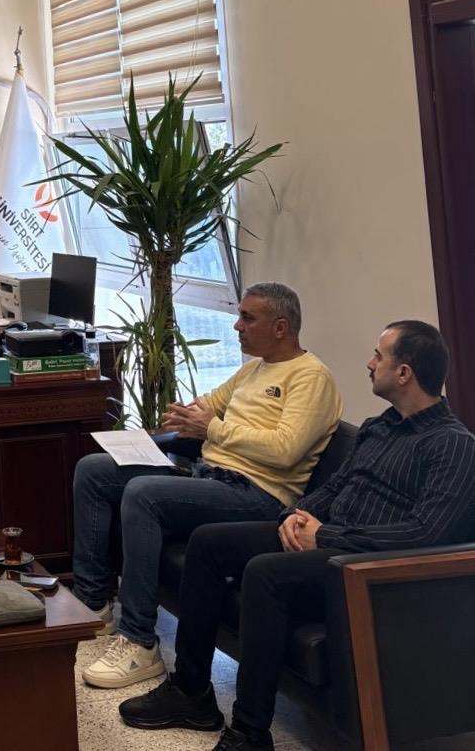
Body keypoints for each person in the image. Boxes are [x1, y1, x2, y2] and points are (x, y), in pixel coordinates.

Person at [119, 321, 475, 750]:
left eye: (378, 356)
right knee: (209, 543)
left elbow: (424, 534)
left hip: (365, 568)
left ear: (404, 373)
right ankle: (191, 693)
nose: (369, 363)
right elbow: (337, 485)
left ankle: (249, 733)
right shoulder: (380, 426)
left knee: (265, 572)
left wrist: (326, 537)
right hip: (326, 541)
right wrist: (295, 514)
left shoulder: (453, 445)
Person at [73, 282, 342, 689]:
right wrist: (186, 415)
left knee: (144, 494)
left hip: (258, 495)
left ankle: (140, 642)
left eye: (248, 318)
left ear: (281, 327)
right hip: (210, 477)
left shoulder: (312, 377)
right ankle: (94, 603)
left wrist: (212, 428)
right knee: (94, 469)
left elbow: (286, 450)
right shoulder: (254, 368)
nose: (237, 326)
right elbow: (209, 407)